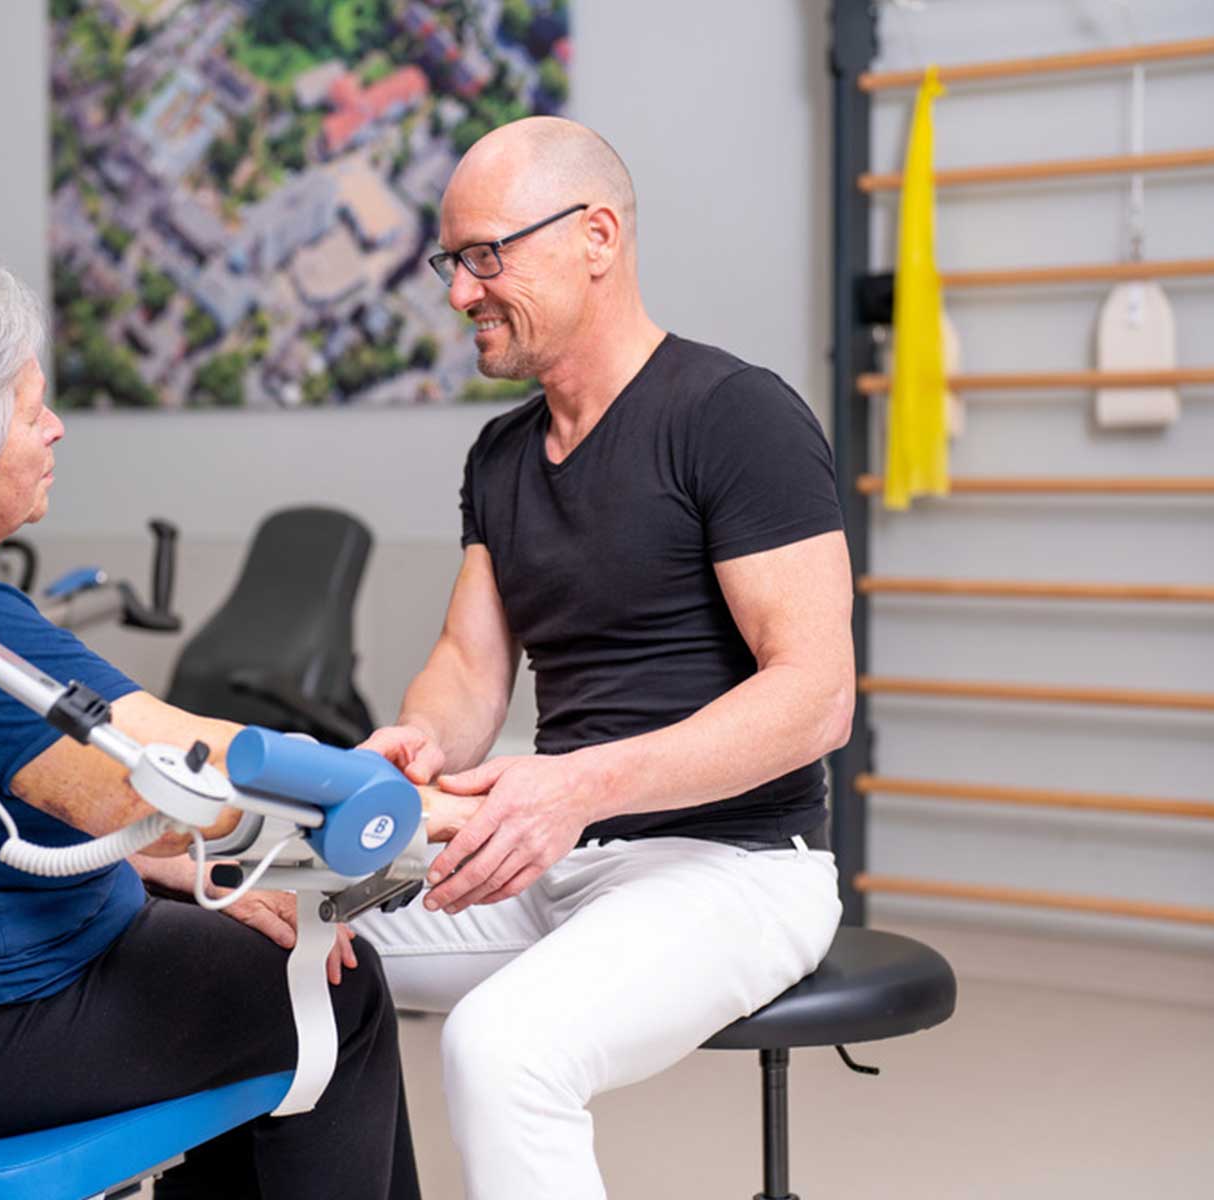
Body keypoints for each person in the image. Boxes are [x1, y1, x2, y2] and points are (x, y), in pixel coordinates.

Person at [0, 251, 420, 1199]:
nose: (55, 429)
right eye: (28, 408)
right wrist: (415, 800)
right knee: (341, 991)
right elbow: (175, 777)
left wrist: (164, 867)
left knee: (254, 956)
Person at [350, 117, 854, 1200]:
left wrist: (578, 786)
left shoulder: (735, 416)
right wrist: (421, 742)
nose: (459, 293)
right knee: (278, 966)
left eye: (488, 256)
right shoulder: (500, 457)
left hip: (736, 869)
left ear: (597, 236)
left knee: (504, 1050)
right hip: (559, 862)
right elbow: (469, 668)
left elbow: (816, 698)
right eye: (452, 262)